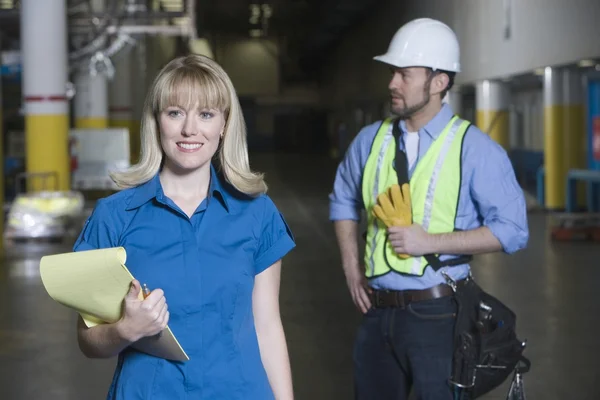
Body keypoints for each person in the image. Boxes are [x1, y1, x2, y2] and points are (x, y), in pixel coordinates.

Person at [73, 54, 296, 399]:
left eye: (206, 114)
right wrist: (125, 330)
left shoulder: (257, 214)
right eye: (175, 112)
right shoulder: (114, 217)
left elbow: (267, 327)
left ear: (224, 125)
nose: (190, 129)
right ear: (157, 121)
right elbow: (89, 341)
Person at [329, 18, 529, 399]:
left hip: (438, 316)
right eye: (392, 73)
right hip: (376, 313)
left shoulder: (475, 149)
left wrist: (430, 241)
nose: (392, 83)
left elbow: (514, 230)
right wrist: (352, 268)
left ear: (439, 82)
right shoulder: (369, 140)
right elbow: (342, 200)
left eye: (404, 74)